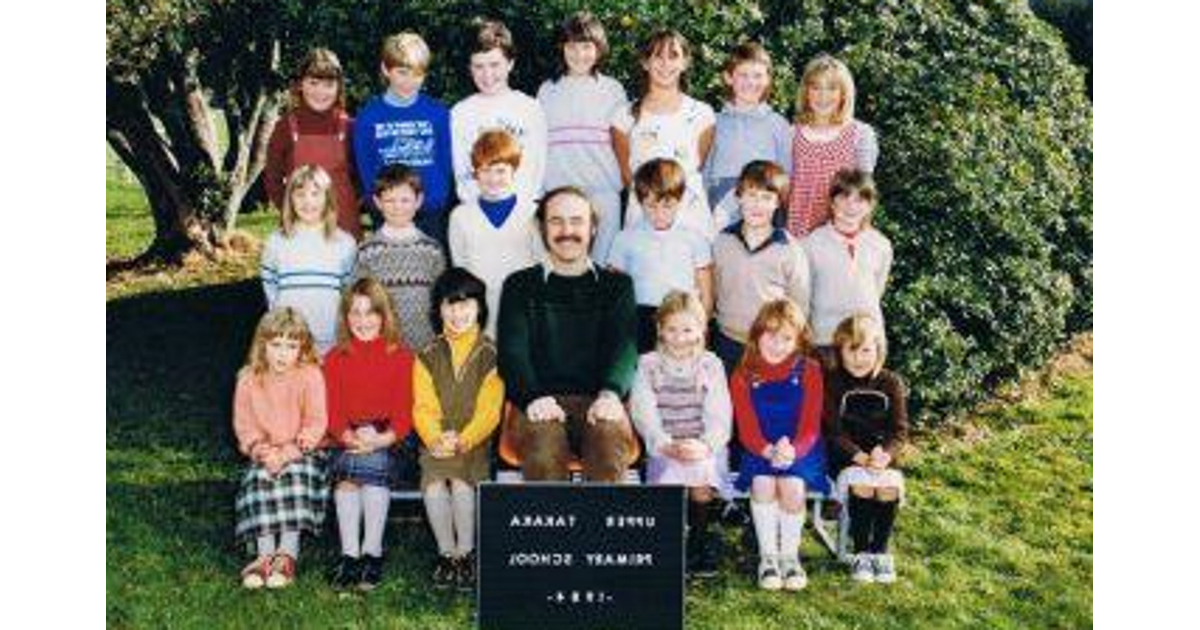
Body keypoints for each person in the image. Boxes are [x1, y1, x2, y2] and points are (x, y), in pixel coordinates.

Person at [497, 186, 639, 482]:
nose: (567, 231)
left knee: (610, 446)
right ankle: (552, 530)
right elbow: (512, 353)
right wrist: (534, 397)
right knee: (544, 452)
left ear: (593, 228)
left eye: (577, 221)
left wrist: (611, 393)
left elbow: (625, 349)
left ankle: (600, 530)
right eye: (556, 221)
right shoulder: (519, 286)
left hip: (598, 399)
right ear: (541, 227)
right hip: (538, 401)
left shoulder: (617, 287)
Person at [413, 268, 504, 591]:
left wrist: (464, 439)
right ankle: (446, 553)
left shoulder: (490, 354)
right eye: (450, 305)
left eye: (466, 305)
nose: (458, 313)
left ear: (480, 308)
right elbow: (423, 406)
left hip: (474, 441)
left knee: (463, 484)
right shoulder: (426, 355)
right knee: (436, 484)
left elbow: (489, 410)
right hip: (435, 440)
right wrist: (435, 438)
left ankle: (466, 553)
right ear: (438, 309)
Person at [629, 291, 731, 577]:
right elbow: (643, 411)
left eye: (687, 329)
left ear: (701, 329)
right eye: (671, 329)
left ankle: (698, 542)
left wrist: (705, 445)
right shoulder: (647, 364)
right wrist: (663, 444)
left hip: (703, 444)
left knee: (699, 476)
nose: (679, 337)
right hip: (665, 444)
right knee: (670, 481)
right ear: (660, 328)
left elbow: (719, 414)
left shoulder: (711, 364)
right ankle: (669, 544)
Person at [322, 279, 415, 591]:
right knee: (348, 477)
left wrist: (380, 439)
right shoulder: (335, 359)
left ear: (384, 316)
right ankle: (350, 555)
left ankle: (372, 552)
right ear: (345, 318)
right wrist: (349, 437)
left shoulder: (402, 357)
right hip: (348, 437)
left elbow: (405, 414)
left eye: (371, 313)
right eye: (355, 313)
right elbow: (332, 413)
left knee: (373, 473)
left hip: (390, 438)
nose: (363, 321)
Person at [731, 299, 829, 592]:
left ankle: (790, 557)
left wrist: (792, 451)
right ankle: (768, 559)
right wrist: (766, 450)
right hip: (758, 447)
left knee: (792, 487)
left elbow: (811, 425)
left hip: (802, 448)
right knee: (762, 483)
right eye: (771, 335)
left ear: (799, 341)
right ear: (756, 334)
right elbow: (746, 427)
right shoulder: (743, 374)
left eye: (787, 338)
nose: (777, 344)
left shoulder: (809, 369)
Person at [233, 307, 329, 590]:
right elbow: (245, 427)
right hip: (264, 451)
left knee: (293, 478)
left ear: (303, 348)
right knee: (260, 479)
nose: (282, 354)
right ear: (262, 344)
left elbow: (315, 424)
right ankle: (264, 555)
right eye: (275, 345)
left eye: (291, 346)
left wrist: (286, 454)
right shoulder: (248, 379)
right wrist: (264, 452)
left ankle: (286, 553)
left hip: (304, 451)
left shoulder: (310, 375)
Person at [536, 11, 629, 263]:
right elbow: (537, 148)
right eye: (572, 46)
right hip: (559, 194)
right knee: (562, 269)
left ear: (599, 49)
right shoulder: (547, 90)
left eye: (586, 46)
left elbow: (624, 144)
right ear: (562, 48)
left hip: (604, 194)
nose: (579, 54)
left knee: (602, 269)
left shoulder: (613, 89)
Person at [823, 314, 908, 584]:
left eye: (866, 350)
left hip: (881, 457)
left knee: (887, 487)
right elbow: (832, 431)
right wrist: (857, 456)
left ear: (878, 350)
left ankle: (880, 552)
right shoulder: (833, 382)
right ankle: (860, 551)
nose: (859, 358)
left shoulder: (890, 382)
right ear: (840, 350)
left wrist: (886, 454)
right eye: (852, 349)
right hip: (845, 455)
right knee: (861, 485)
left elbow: (899, 431)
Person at [611, 29, 716, 239]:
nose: (665, 64)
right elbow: (627, 175)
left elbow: (697, 166)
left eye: (673, 55)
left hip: (690, 219)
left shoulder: (702, 114)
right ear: (645, 62)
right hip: (642, 219)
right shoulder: (623, 116)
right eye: (657, 56)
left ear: (685, 62)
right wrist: (653, 208)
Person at [353, 32, 454, 245]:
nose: (409, 82)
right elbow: (366, 167)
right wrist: (381, 204)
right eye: (402, 72)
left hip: (431, 213)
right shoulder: (368, 116)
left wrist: (437, 198)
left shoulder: (437, 112)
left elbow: (445, 162)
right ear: (385, 69)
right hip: (389, 213)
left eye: (417, 75)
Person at [712, 160, 809, 375]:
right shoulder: (722, 241)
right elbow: (712, 292)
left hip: (770, 347)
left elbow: (799, 307)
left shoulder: (790, 249)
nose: (758, 204)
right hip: (726, 342)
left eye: (767, 198)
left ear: (778, 203)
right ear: (739, 197)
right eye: (752, 195)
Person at [606, 158, 713, 353]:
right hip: (640, 318)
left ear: (679, 201)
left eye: (667, 205)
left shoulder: (695, 238)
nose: (659, 213)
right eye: (651, 206)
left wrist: (702, 327)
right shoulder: (625, 238)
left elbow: (706, 291)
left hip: (683, 317)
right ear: (640, 202)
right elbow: (614, 288)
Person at [447, 129, 543, 337]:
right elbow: (460, 269)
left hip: (523, 311)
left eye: (500, 170)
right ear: (475, 173)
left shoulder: (532, 212)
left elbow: (542, 265)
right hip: (480, 313)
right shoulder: (460, 216)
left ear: (514, 169)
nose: (493, 178)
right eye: (485, 170)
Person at [261, 164, 357, 355]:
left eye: (315, 194)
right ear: (290, 200)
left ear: (328, 199)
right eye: (300, 194)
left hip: (330, 340)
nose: (308, 201)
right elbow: (270, 289)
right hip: (288, 342)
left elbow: (349, 291)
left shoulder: (345, 243)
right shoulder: (276, 242)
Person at [265, 48, 361, 239]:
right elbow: (272, 180)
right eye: (313, 83)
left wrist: (352, 206)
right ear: (301, 84)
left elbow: (364, 178)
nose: (320, 92)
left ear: (339, 87)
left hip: (344, 228)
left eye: (328, 84)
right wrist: (292, 211)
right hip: (300, 229)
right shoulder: (285, 127)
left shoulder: (350, 127)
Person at [450, 19, 547, 205]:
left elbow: (537, 169)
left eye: (495, 65)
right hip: (477, 212)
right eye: (479, 66)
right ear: (470, 68)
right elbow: (462, 171)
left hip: (523, 212)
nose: (487, 75)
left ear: (510, 63)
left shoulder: (531, 108)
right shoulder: (460, 113)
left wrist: (519, 208)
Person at [352, 164, 447, 351]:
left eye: (405, 200)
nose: (398, 207)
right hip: (383, 349)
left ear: (418, 201)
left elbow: (441, 303)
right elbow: (359, 303)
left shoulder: (432, 250)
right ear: (377, 202)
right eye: (390, 200)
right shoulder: (367, 251)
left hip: (425, 348)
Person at [800, 168, 892, 358]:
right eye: (844, 197)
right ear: (832, 203)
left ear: (870, 206)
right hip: (824, 342)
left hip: (868, 342)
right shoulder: (810, 244)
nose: (851, 207)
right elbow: (802, 299)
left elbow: (876, 292)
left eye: (860, 200)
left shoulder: (881, 245)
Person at [786, 54, 879, 236]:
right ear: (806, 92)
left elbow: (864, 193)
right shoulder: (791, 134)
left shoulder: (859, 134)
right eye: (816, 87)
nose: (823, 96)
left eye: (832, 88)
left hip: (841, 234)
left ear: (844, 93)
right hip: (798, 234)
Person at [703, 42, 792, 211]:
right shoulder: (714, 122)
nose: (751, 82)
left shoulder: (778, 124)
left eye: (758, 76)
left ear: (767, 80)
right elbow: (705, 173)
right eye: (743, 75)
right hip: (721, 210)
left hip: (764, 209)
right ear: (728, 78)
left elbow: (787, 175)